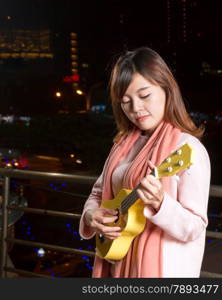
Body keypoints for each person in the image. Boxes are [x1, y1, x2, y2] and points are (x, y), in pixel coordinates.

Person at [79, 47, 211, 278]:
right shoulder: (122, 145)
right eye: (125, 101)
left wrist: (161, 203)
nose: (135, 108)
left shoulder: (188, 149)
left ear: (166, 89)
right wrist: (92, 216)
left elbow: (195, 228)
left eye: (144, 95)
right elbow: (98, 194)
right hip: (116, 266)